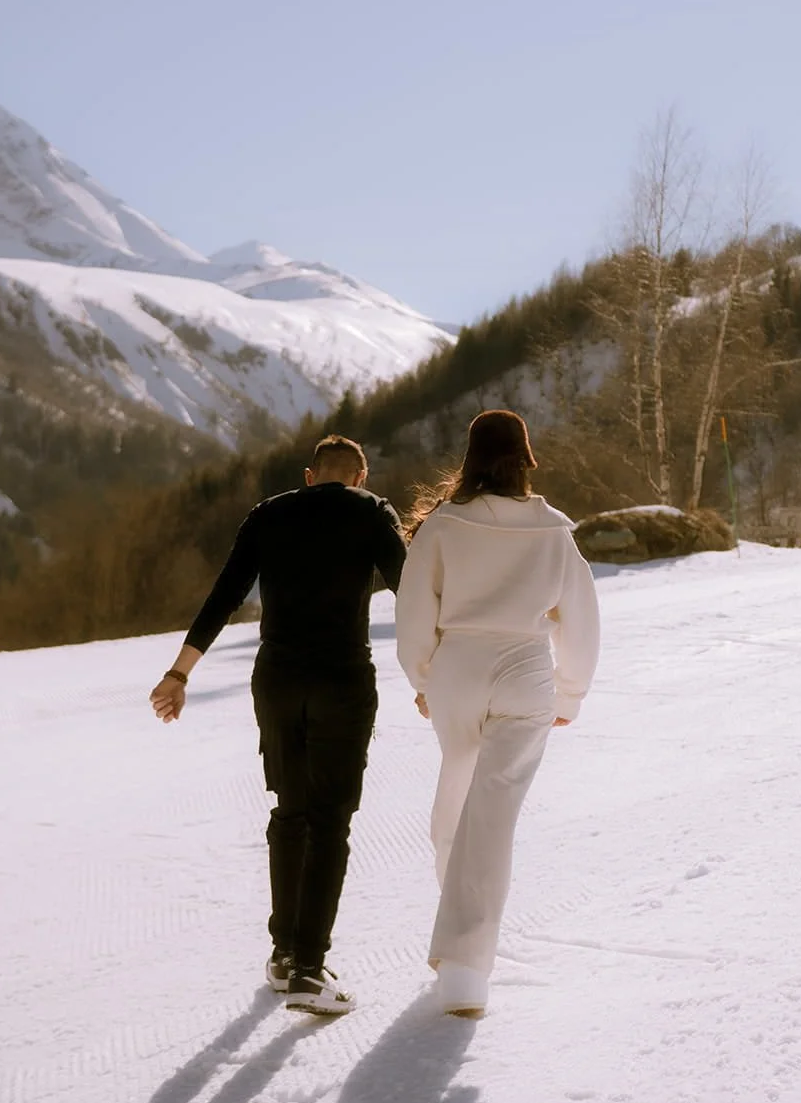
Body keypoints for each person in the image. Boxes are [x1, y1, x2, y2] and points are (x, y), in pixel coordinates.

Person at [149, 434, 407, 1016]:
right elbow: (411, 591)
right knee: (330, 820)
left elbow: (224, 596)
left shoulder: (268, 514)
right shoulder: (371, 512)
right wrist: (431, 673)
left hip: (277, 680)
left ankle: (285, 954)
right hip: (342, 679)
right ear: (360, 479)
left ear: (310, 476)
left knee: (291, 811)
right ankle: (310, 969)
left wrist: (179, 673)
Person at [395, 410, 600, 1019]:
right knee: (491, 814)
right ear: (525, 461)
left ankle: (462, 950)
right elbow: (582, 618)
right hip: (526, 671)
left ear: (472, 460)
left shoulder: (443, 524)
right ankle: (465, 964)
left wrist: (424, 678)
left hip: (458, 671)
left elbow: (413, 611)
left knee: (456, 805)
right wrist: (569, 693)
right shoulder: (554, 530)